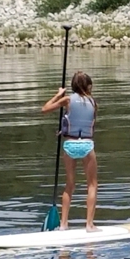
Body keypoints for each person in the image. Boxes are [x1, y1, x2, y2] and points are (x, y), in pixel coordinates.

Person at [42, 71, 99, 232]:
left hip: (70, 145)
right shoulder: (93, 102)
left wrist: (58, 95)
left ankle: (64, 224)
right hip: (87, 145)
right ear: (88, 86)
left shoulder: (67, 100)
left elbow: (44, 109)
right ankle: (89, 225)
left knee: (69, 184)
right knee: (92, 185)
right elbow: (89, 125)